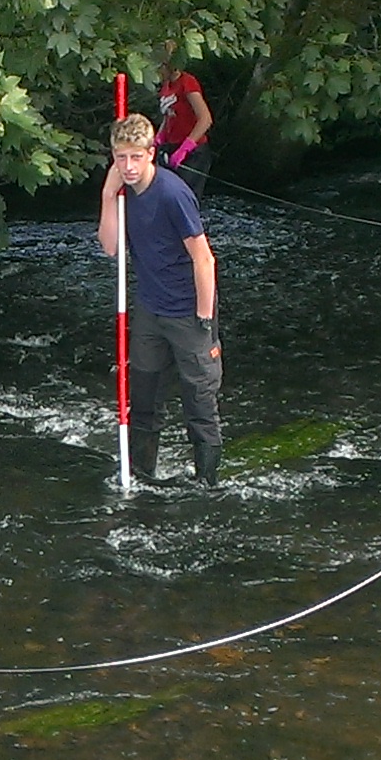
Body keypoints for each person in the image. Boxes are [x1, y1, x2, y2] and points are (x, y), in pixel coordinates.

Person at [93, 113, 225, 484]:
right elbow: (109, 247)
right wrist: (107, 193)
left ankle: (207, 485)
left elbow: (204, 259)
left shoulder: (172, 194)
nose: (129, 167)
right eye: (121, 158)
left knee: (199, 403)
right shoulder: (122, 195)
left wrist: (203, 320)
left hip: (188, 313)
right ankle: (142, 476)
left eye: (136, 157)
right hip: (151, 310)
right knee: (145, 401)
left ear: (151, 153)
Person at [154, 48, 213, 167]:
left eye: (161, 66)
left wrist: (186, 148)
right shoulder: (166, 86)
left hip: (193, 152)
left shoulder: (187, 82)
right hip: (172, 147)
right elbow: (169, 116)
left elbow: (206, 119)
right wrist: (159, 138)